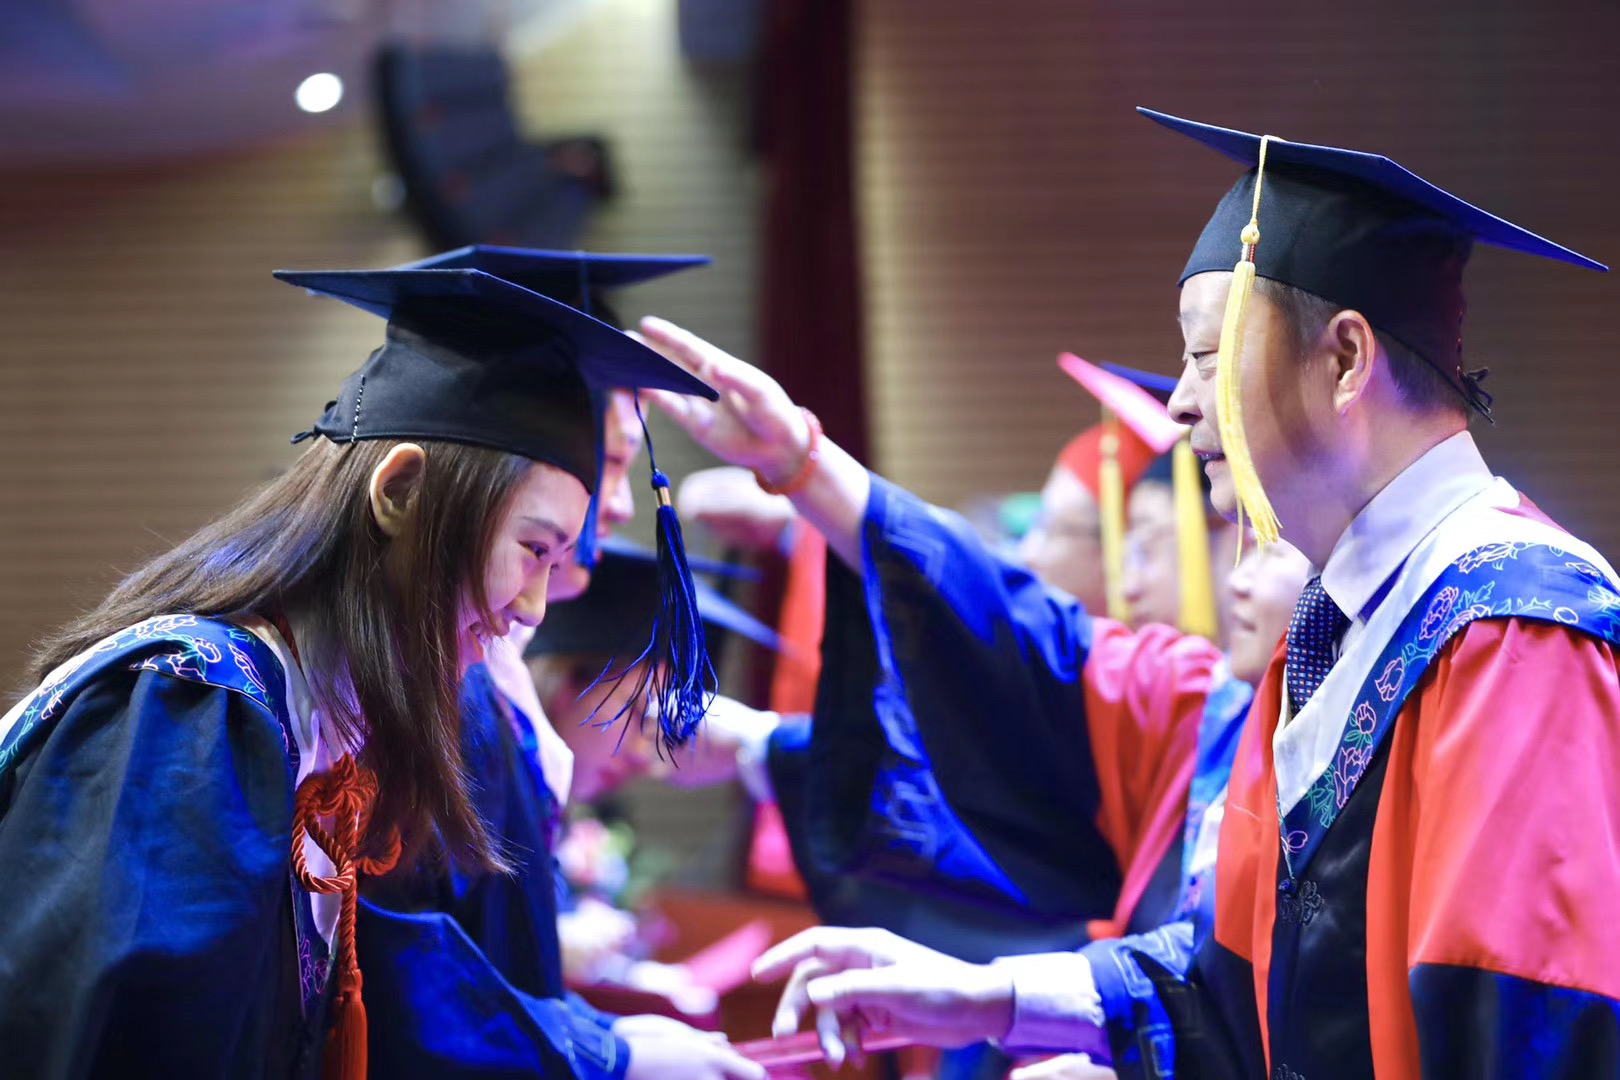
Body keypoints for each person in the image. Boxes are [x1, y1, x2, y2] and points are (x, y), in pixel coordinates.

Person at [745, 109, 1620, 1077]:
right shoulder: (1335, 632)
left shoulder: (1513, 628)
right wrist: (986, 997)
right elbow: (1232, 986)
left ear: (1345, 360)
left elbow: (1534, 1029)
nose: (1179, 402)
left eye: (1207, 357)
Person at [0, 261, 721, 1079]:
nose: (535, 609)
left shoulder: (317, 722)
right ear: (402, 491)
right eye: (533, 550)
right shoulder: (192, 710)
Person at [340, 248, 766, 1080]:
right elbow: (391, 966)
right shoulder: (266, 692)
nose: (616, 508)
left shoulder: (483, 682)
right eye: (604, 463)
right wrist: (602, 1052)